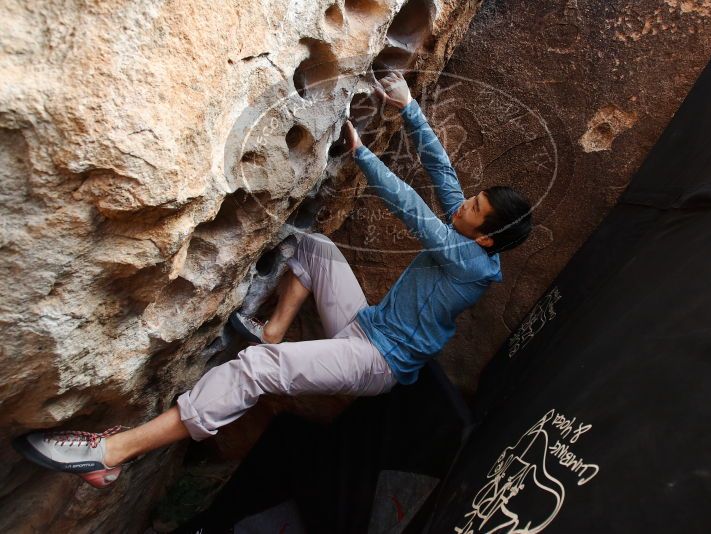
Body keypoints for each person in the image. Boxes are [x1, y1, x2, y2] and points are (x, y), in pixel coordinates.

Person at [13, 71, 533, 488]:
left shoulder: (468, 262)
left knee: (256, 371)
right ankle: (275, 329)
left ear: (485, 237)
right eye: (473, 199)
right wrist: (408, 108)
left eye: (473, 208)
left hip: (377, 360)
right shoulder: (471, 234)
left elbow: (412, 208)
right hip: (365, 324)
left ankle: (111, 454)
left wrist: (361, 152)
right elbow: (443, 175)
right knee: (316, 246)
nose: (462, 203)